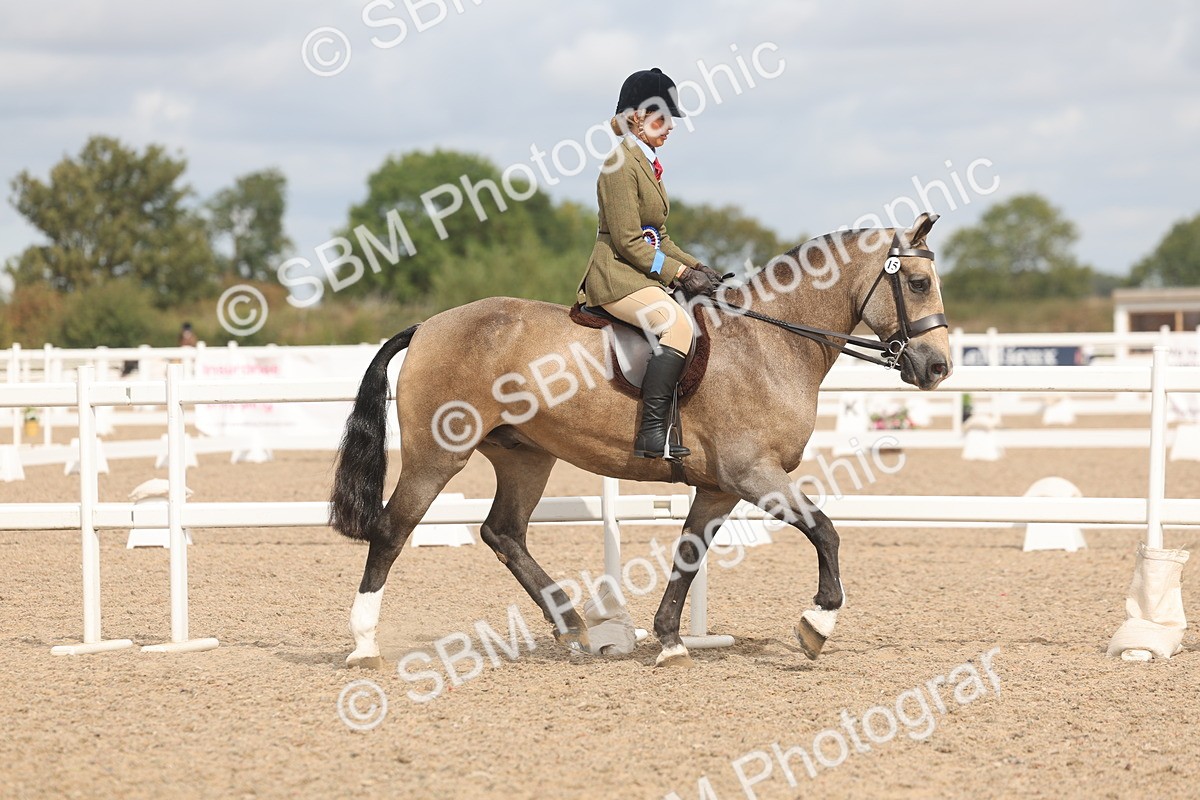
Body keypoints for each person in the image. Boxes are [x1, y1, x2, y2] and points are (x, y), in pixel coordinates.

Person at [576, 68, 723, 460]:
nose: (670, 126)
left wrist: (698, 267)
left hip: (639, 272)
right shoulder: (619, 164)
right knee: (676, 325)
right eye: (662, 118)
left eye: (670, 118)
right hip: (616, 276)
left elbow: (658, 235)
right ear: (637, 118)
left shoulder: (648, 162)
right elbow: (627, 241)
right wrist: (678, 274)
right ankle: (652, 430)